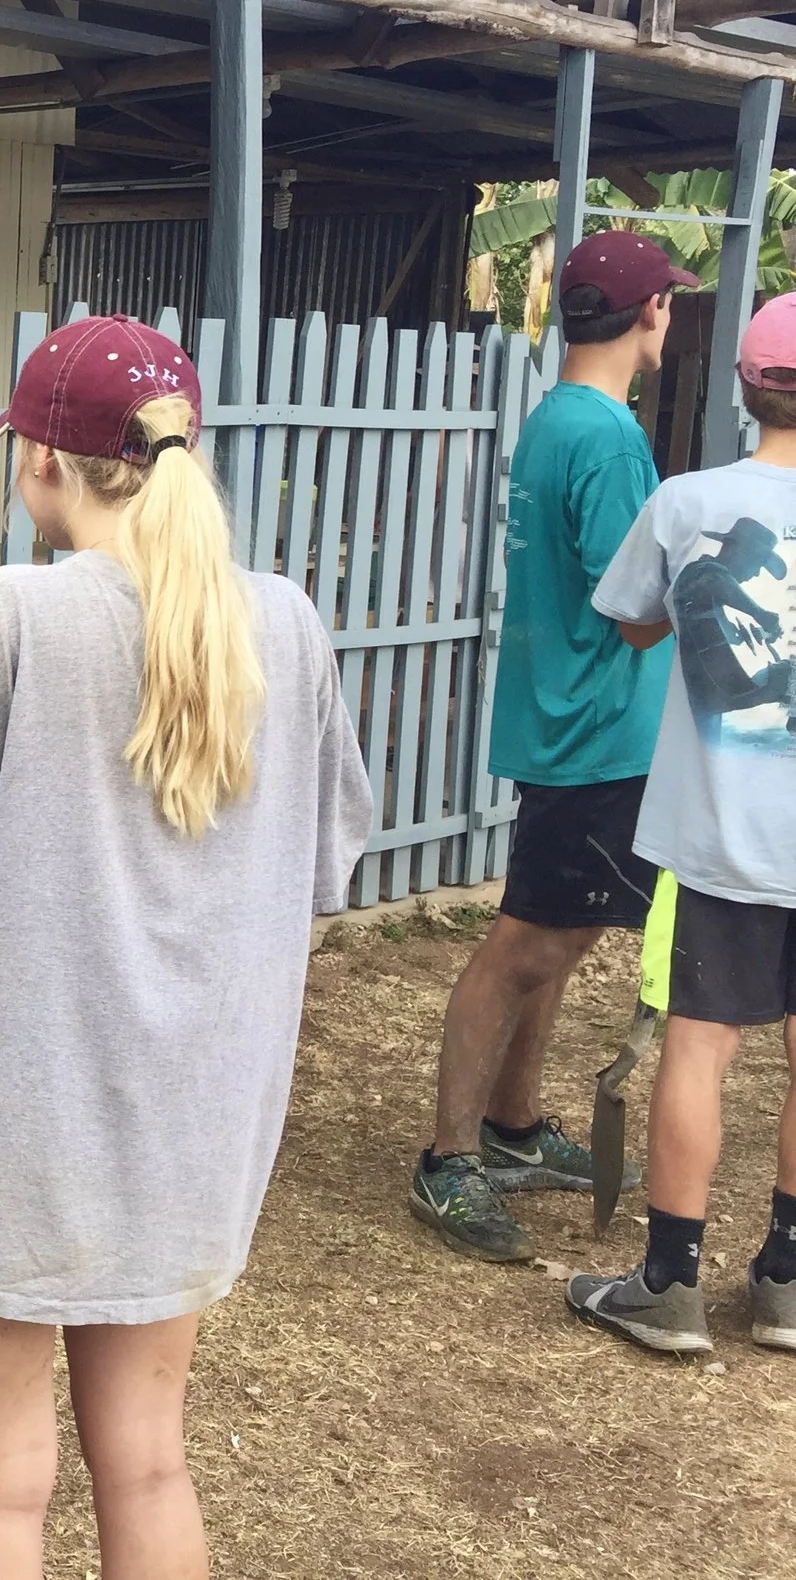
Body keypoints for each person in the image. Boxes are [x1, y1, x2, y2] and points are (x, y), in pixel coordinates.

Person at [0, 314, 371, 1580]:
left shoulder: (13, 616)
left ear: (40, 459)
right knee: (148, 1460)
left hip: (15, 1120)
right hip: (197, 1122)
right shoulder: (287, 624)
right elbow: (326, 865)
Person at [412, 231, 688, 1263]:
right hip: (595, 726)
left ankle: (514, 1125)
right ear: (649, 310)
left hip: (559, 710)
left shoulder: (555, 419)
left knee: (563, 932)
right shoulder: (609, 438)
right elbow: (634, 611)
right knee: (530, 940)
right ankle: (447, 1160)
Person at [568, 294, 796, 1356]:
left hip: (723, 835)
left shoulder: (686, 500)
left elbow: (627, 620)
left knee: (699, 1049)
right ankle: (788, 1279)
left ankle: (669, 1281)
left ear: (741, 387)